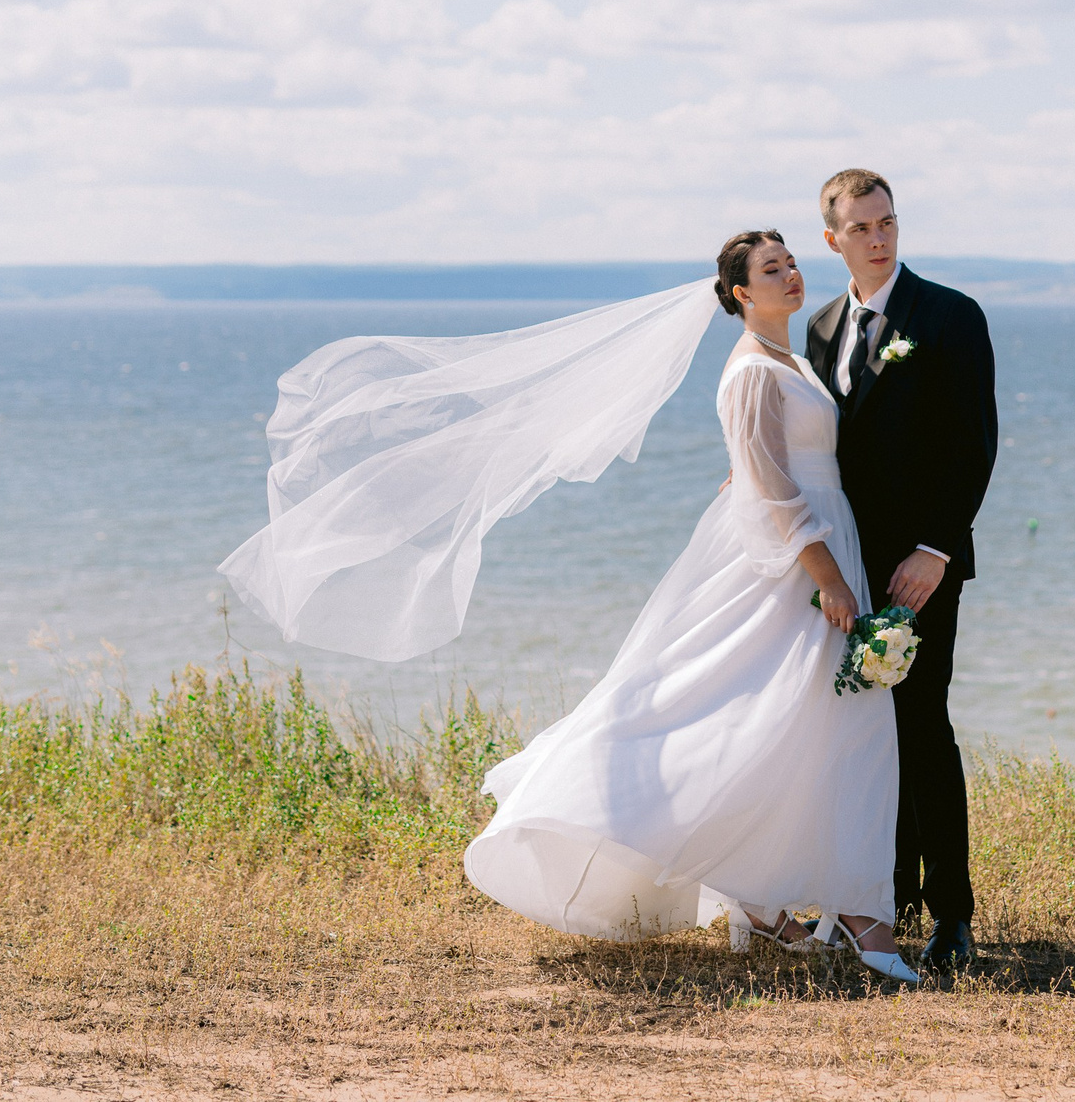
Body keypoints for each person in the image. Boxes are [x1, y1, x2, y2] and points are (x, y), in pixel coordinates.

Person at [217, 229, 918, 982]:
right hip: (790, 561)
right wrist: (828, 577)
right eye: (771, 269)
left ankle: (770, 900)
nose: (790, 275)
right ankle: (855, 916)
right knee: (773, 712)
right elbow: (773, 488)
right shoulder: (750, 369)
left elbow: (765, 462)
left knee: (801, 721)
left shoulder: (793, 361)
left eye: (791, 263)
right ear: (742, 293)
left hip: (815, 543)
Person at [800, 169, 999, 972]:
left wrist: (936, 549)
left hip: (923, 567)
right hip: (847, 565)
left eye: (887, 222)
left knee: (921, 727)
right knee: (860, 732)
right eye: (861, 227)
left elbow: (974, 444)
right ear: (833, 239)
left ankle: (952, 913)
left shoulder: (950, 315)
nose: (878, 238)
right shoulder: (820, 327)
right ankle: (885, 895)